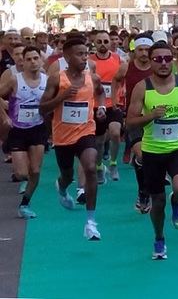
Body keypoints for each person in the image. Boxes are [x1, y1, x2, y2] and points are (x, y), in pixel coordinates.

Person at [126, 42, 178, 259]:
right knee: (157, 202)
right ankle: (159, 238)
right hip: (152, 150)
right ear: (151, 62)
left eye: (167, 58)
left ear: (172, 60)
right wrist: (150, 116)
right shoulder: (143, 88)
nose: (163, 63)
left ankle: (177, 202)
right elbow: (130, 122)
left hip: (177, 147)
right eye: (158, 59)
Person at [40, 38, 107, 240]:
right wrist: (62, 97)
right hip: (62, 136)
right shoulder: (56, 79)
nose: (84, 58)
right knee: (68, 175)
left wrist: (101, 107)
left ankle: (91, 222)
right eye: (79, 54)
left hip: (86, 131)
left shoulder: (92, 78)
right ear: (67, 57)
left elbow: (101, 93)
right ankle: (61, 187)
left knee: (89, 166)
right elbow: (42, 108)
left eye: (86, 53)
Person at [0, 46, 47, 218]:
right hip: (18, 130)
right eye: (29, 59)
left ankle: (25, 203)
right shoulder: (15, 80)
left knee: (35, 171)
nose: (33, 62)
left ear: (41, 60)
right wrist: (5, 115)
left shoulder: (47, 80)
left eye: (36, 58)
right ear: (23, 62)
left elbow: (53, 102)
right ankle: (10, 148)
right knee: (21, 173)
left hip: (38, 129)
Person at [112, 35, 154, 213]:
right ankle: (143, 191)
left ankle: (148, 190)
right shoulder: (126, 66)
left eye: (147, 50)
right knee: (141, 155)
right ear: (134, 51)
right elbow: (116, 79)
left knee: (151, 158)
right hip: (133, 118)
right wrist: (114, 99)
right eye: (140, 50)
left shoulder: (158, 67)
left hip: (155, 117)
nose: (144, 53)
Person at [89, 30, 124, 183]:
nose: (103, 45)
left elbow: (124, 79)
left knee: (116, 133)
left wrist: (122, 92)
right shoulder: (89, 61)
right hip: (96, 104)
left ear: (110, 42)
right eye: (99, 42)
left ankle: (113, 163)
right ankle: (98, 167)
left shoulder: (118, 59)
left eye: (105, 41)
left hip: (113, 103)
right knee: (98, 141)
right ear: (94, 43)